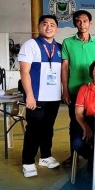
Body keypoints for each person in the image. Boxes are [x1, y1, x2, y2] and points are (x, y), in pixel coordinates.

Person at [61, 10, 95, 168]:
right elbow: (65, 67)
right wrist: (65, 90)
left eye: (85, 21)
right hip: (74, 91)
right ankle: (73, 154)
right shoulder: (67, 42)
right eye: (78, 21)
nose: (82, 24)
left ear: (90, 23)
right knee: (75, 123)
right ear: (74, 23)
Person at [18, 15, 62, 178]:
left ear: (56, 29)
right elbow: (24, 71)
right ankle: (28, 161)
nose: (49, 27)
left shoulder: (59, 47)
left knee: (48, 128)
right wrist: (29, 95)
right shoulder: (31, 45)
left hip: (54, 97)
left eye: (52, 24)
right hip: (36, 97)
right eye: (45, 24)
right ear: (39, 27)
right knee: (34, 129)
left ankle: (45, 156)